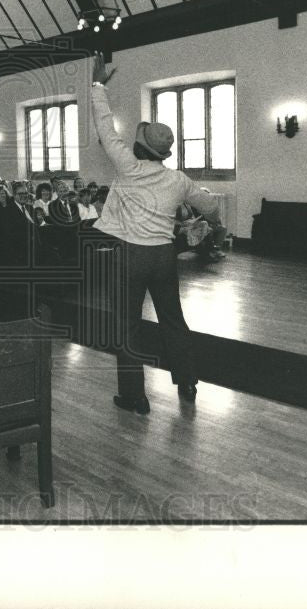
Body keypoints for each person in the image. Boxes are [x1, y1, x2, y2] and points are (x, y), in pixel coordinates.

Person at [89, 52, 223, 414]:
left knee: (127, 327)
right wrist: (204, 205)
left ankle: (135, 397)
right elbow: (210, 207)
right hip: (163, 257)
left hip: (130, 256)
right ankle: (188, 382)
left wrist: (98, 84)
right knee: (173, 319)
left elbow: (104, 125)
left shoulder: (128, 166)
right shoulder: (177, 179)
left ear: (140, 146)